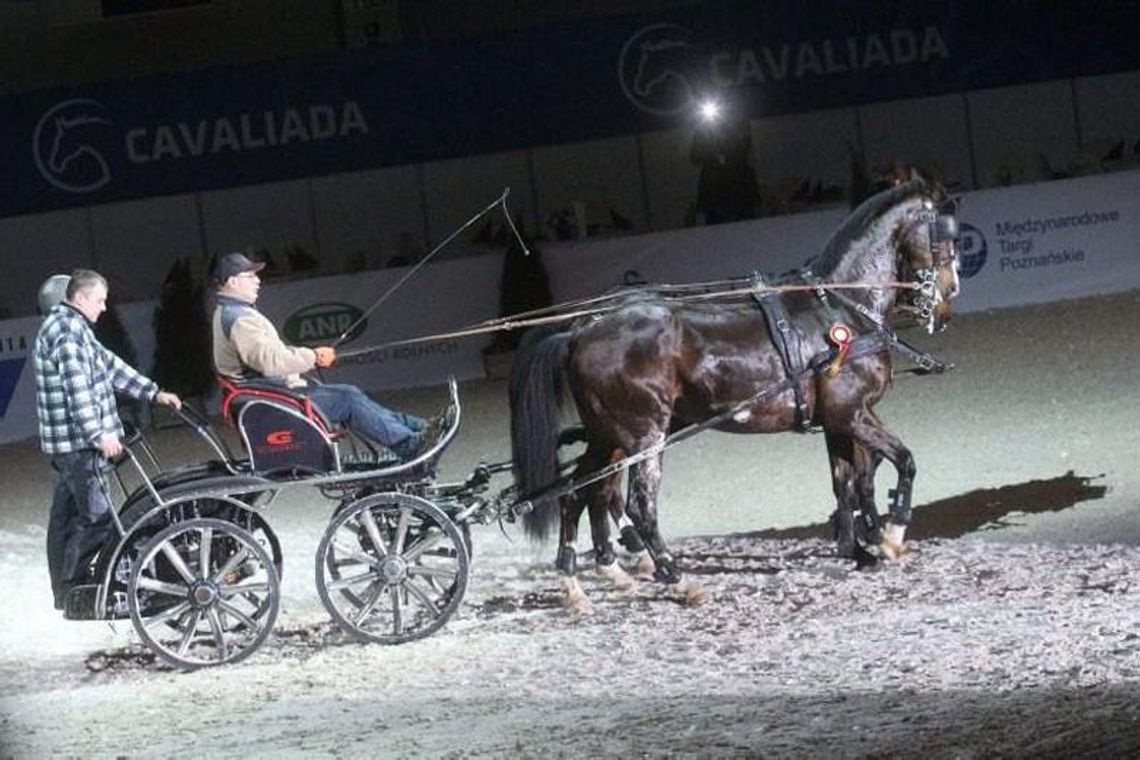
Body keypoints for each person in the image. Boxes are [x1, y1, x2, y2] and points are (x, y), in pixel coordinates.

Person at [34, 269, 183, 610]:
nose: (104, 307)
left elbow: (109, 367)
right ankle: (74, 588)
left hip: (68, 444)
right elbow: (78, 389)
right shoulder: (68, 333)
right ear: (80, 298)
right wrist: (99, 434)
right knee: (97, 518)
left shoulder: (74, 329)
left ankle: (66, 588)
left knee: (65, 518)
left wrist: (153, 393)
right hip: (79, 445)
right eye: (100, 300)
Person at [210, 252, 427, 460]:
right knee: (347, 399)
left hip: (270, 394)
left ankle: (413, 428)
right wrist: (313, 356)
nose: (257, 281)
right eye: (249, 276)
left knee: (348, 393)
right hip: (273, 400)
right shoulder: (240, 319)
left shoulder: (232, 313)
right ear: (232, 282)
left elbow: (271, 356)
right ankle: (408, 444)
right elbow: (271, 362)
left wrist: (309, 357)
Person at [690, 111, 760, 225]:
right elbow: (695, 156)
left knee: (745, 229)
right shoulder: (704, 128)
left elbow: (745, 150)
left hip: (739, 191)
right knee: (717, 233)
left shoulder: (739, 123)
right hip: (715, 193)